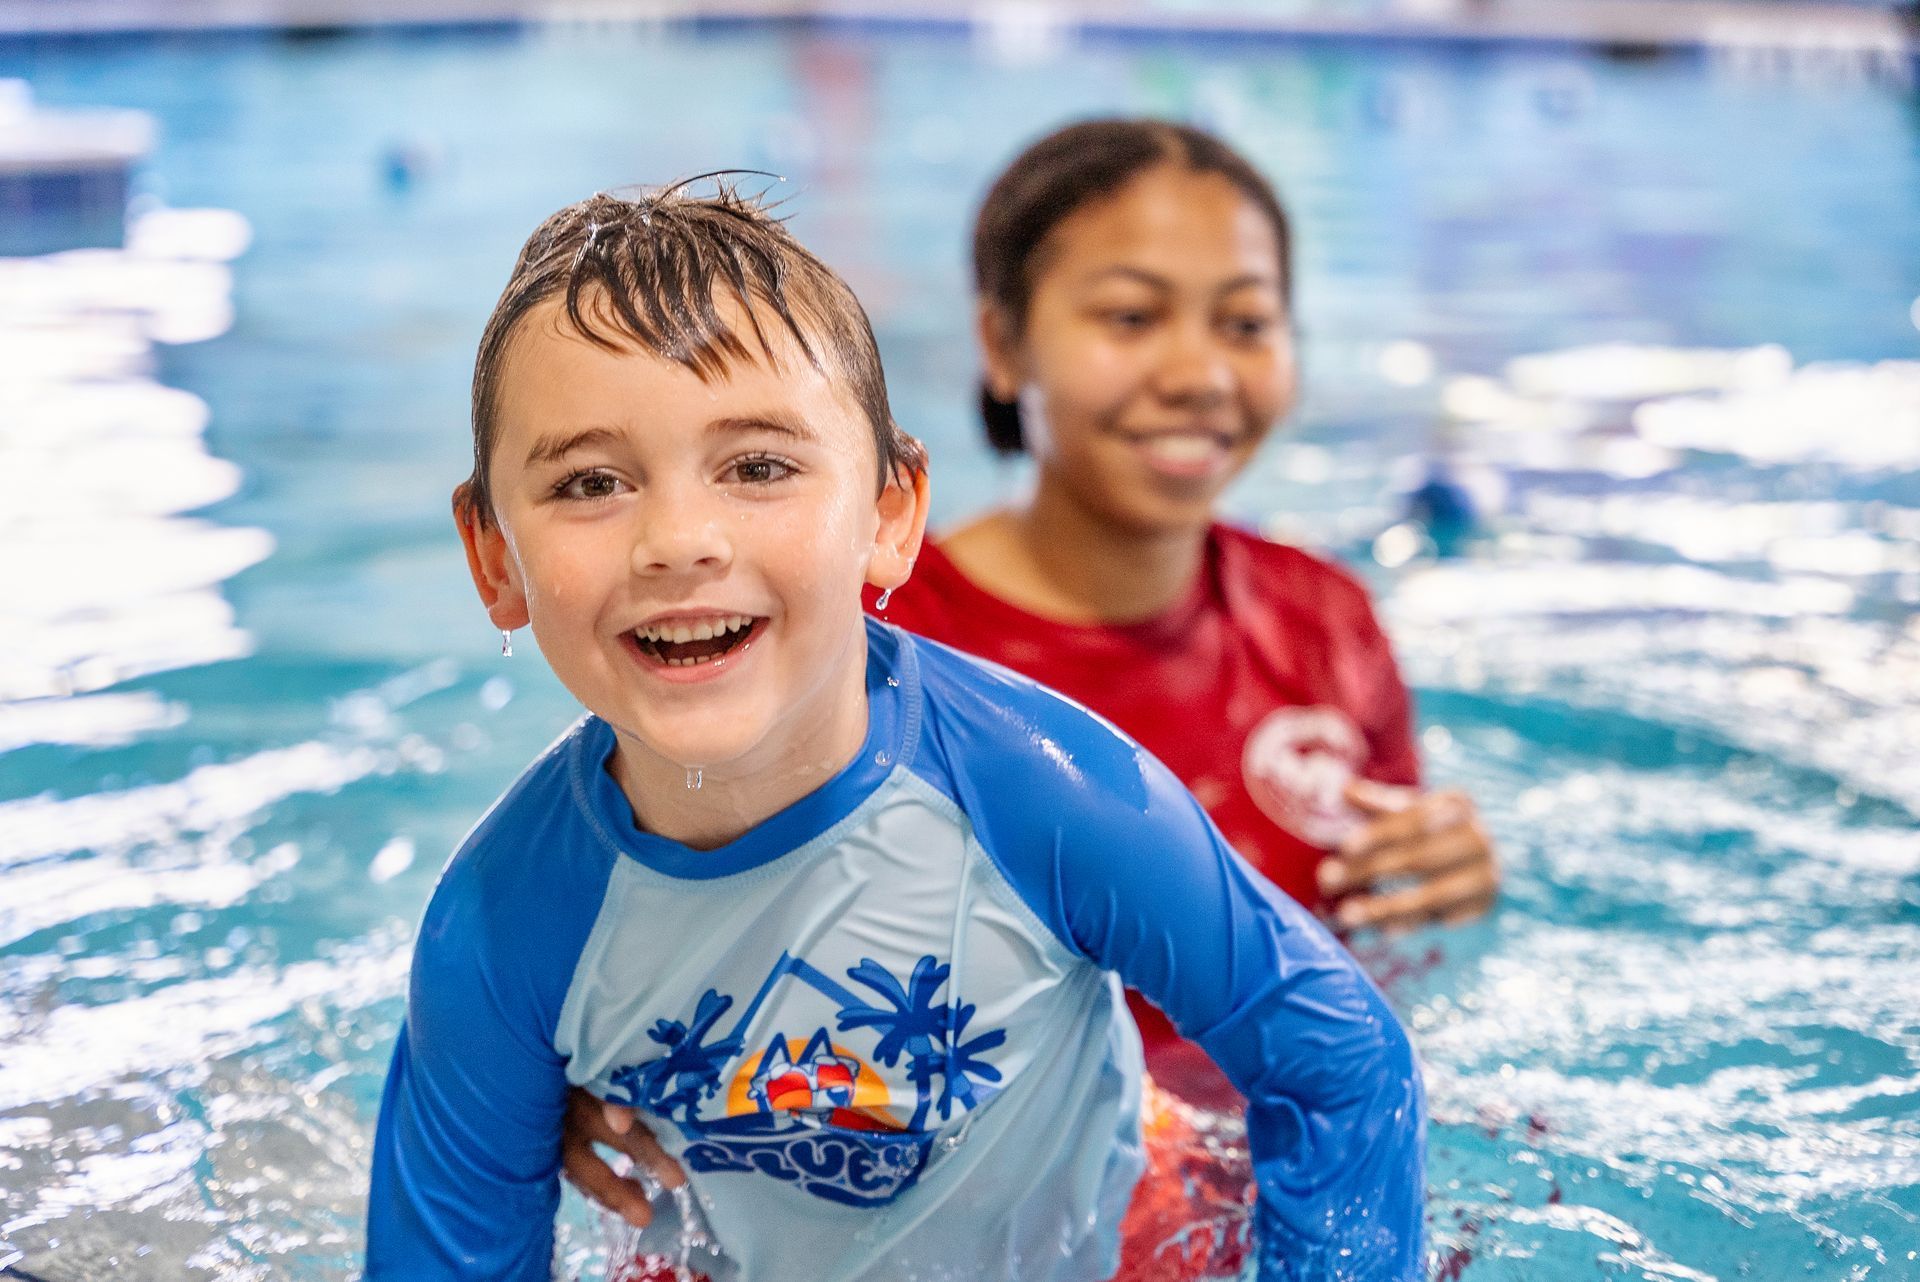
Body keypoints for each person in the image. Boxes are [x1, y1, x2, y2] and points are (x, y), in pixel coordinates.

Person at [365, 182, 1425, 1280]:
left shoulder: (1045, 795)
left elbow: (1339, 1059)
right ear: (495, 557)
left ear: (889, 513)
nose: (677, 541)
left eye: (759, 466)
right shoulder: (500, 927)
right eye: (591, 482)